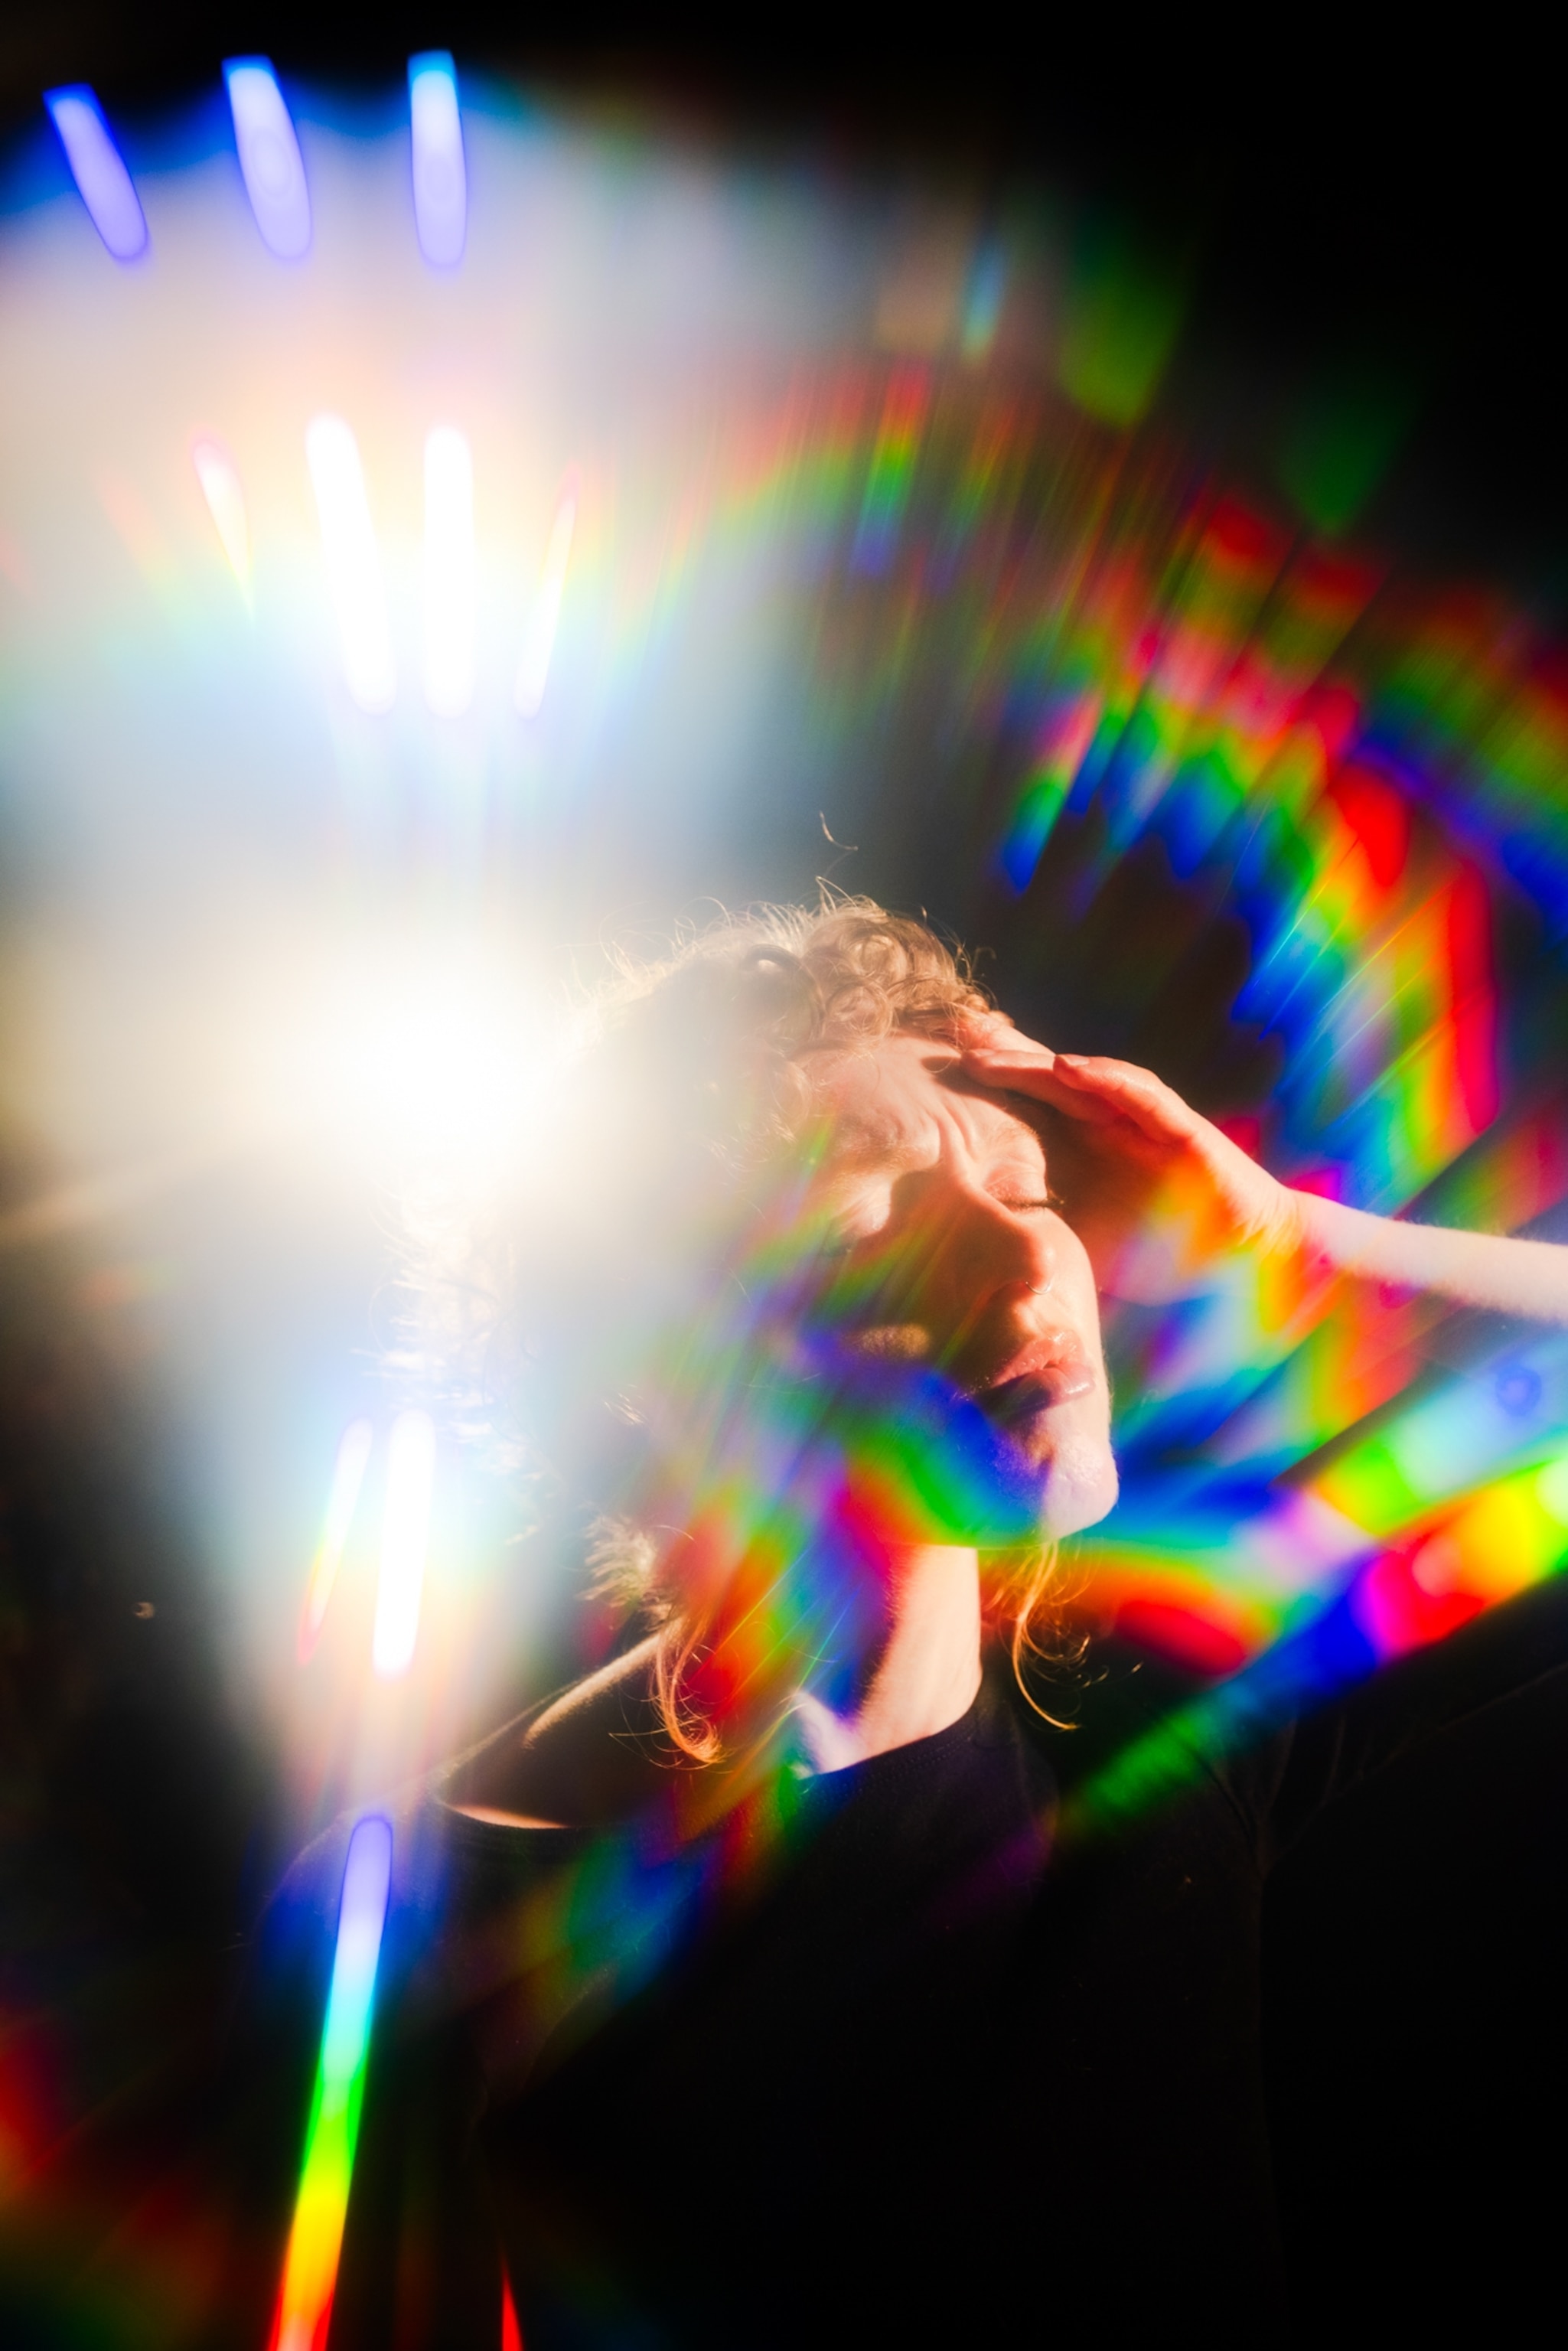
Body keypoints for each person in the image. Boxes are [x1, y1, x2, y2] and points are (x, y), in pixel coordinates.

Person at [223, 898, 1568, 2349]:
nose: (1021, 1266)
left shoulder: (1144, 1719)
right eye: (872, 1224)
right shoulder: (427, 1907)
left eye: (1030, 1187)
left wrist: (1286, 1229)